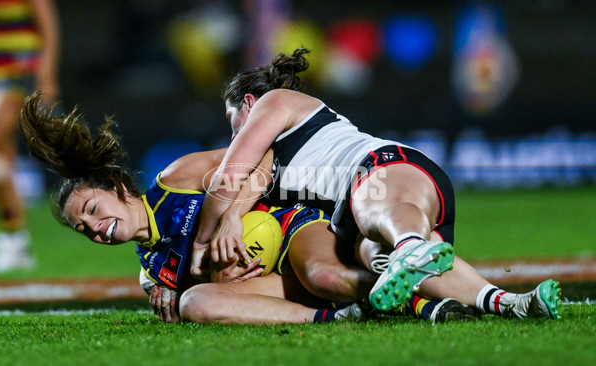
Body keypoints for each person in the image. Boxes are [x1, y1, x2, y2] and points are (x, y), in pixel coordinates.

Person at [19, 92, 478, 325]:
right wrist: (204, 286)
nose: (96, 229)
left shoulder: (175, 179)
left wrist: (232, 216)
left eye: (94, 210)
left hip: (292, 226)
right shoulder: (151, 271)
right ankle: (337, 318)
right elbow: (209, 285)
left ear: (119, 187)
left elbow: (261, 161)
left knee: (327, 276)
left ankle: (427, 300)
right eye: (85, 229)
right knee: (196, 302)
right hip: (270, 278)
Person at [190, 48, 561, 317]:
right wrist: (232, 218)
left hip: (383, 170)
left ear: (249, 103)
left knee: (374, 215)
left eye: (231, 118)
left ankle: (410, 245)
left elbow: (227, 176)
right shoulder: (275, 160)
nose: (232, 131)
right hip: (360, 214)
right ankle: (509, 303)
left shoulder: (276, 100)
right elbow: (252, 181)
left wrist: (200, 247)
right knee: (372, 252)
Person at [0, 0, 60, 272]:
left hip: (19, 71)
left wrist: (47, 75)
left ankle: (14, 240)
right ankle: (15, 238)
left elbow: (48, 26)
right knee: (1, 158)